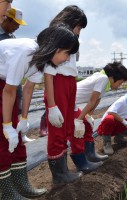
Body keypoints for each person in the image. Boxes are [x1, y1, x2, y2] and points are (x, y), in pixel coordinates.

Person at [0, 24, 79, 199]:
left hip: (5, 86)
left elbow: (28, 88)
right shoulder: (26, 51)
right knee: (3, 138)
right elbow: (9, 90)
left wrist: (24, 119)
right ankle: (5, 192)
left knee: (17, 138)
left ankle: (21, 184)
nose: (66, 59)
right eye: (67, 53)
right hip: (4, 86)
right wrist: (6, 125)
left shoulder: (41, 61)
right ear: (57, 48)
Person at [44, 6, 102, 183]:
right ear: (72, 22)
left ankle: (69, 168)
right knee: (58, 130)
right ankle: (59, 175)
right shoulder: (57, 35)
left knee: (68, 127)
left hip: (69, 82)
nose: (79, 32)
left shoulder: (70, 39)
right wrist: (52, 105)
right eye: (79, 28)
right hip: (58, 82)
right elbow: (48, 69)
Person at [40, 62, 127, 162]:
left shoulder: (105, 81)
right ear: (113, 78)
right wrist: (79, 120)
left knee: (86, 125)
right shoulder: (103, 79)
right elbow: (92, 101)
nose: (120, 85)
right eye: (120, 82)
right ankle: (81, 160)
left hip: (71, 103)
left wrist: (88, 115)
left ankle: (90, 155)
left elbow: (97, 101)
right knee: (78, 131)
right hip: (67, 101)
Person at [0, 7, 35, 143]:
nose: (17, 27)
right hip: (3, 79)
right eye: (15, 23)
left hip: (12, 79)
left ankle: (19, 133)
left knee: (16, 105)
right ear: (6, 19)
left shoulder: (12, 37)